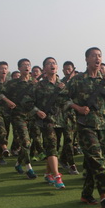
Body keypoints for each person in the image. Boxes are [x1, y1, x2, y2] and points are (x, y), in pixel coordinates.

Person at [66, 47, 105, 208]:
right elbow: (63, 98)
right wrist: (77, 108)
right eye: (93, 55)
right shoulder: (78, 80)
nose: (97, 58)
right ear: (86, 59)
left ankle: (86, 194)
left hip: (103, 126)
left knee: (91, 162)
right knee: (97, 160)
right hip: (86, 125)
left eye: (100, 55)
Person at [0, 59, 39, 179]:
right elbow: (0, 95)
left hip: (32, 116)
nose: (27, 67)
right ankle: (29, 168)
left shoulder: (35, 83)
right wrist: (8, 101)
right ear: (19, 68)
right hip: (18, 115)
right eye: (24, 65)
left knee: (29, 143)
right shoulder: (12, 84)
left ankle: (18, 164)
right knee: (26, 142)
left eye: (28, 65)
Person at [34, 57, 69, 190]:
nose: (52, 65)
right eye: (49, 64)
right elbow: (28, 101)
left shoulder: (62, 85)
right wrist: (37, 111)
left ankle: (48, 173)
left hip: (60, 120)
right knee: (52, 145)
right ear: (44, 69)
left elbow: (67, 100)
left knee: (54, 147)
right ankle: (57, 176)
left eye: (54, 63)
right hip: (46, 121)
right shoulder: (39, 86)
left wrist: (62, 90)